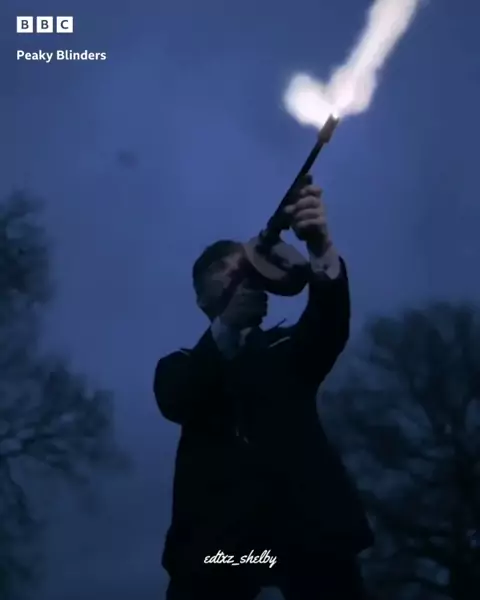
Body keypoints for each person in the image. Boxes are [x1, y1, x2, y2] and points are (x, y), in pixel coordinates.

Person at [154, 175, 374, 600]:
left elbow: (329, 325)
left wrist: (319, 246)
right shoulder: (177, 365)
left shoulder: (286, 349)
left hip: (312, 542)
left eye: (244, 263)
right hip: (217, 553)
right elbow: (180, 397)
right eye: (223, 268)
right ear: (201, 300)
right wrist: (227, 327)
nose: (240, 272)